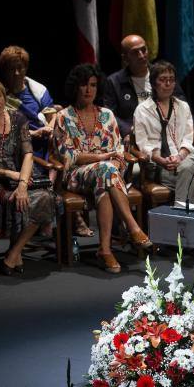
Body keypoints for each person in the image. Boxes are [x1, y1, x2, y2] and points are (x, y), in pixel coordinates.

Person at [53, 63, 153, 274]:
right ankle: (133, 227)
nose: (88, 90)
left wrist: (113, 164)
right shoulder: (64, 116)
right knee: (106, 171)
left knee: (105, 182)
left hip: (106, 176)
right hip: (74, 176)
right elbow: (69, 156)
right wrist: (102, 158)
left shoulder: (107, 115)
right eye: (83, 85)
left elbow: (119, 151)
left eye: (93, 85)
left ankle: (105, 250)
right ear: (75, 87)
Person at [0, 75, 56, 275]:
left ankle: (13, 252)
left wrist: (22, 184)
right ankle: (15, 255)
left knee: (46, 198)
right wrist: (6, 173)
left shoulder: (17, 118)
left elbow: (28, 154)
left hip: (18, 177)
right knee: (17, 201)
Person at [0, 45, 62, 237]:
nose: (17, 72)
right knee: (41, 163)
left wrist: (49, 127)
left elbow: (52, 113)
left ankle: (48, 214)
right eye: (12, 68)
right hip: (16, 147)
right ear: (4, 70)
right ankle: (47, 217)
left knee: (60, 155)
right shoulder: (0, 95)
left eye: (21, 67)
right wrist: (31, 136)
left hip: (43, 142)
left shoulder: (37, 90)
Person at [132, 60, 194, 203]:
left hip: (184, 159)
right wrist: (161, 160)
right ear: (153, 83)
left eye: (171, 80)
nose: (168, 84)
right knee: (192, 185)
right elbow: (143, 143)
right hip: (157, 165)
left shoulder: (183, 106)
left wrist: (179, 157)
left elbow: (188, 138)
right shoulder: (142, 110)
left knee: (187, 166)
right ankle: (188, 220)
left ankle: (179, 214)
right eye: (163, 80)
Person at [104, 34, 187, 140]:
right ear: (125, 58)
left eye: (144, 50)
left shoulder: (163, 74)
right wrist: (129, 130)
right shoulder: (114, 82)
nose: (142, 55)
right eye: (135, 52)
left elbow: (181, 102)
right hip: (134, 136)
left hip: (168, 132)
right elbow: (109, 114)